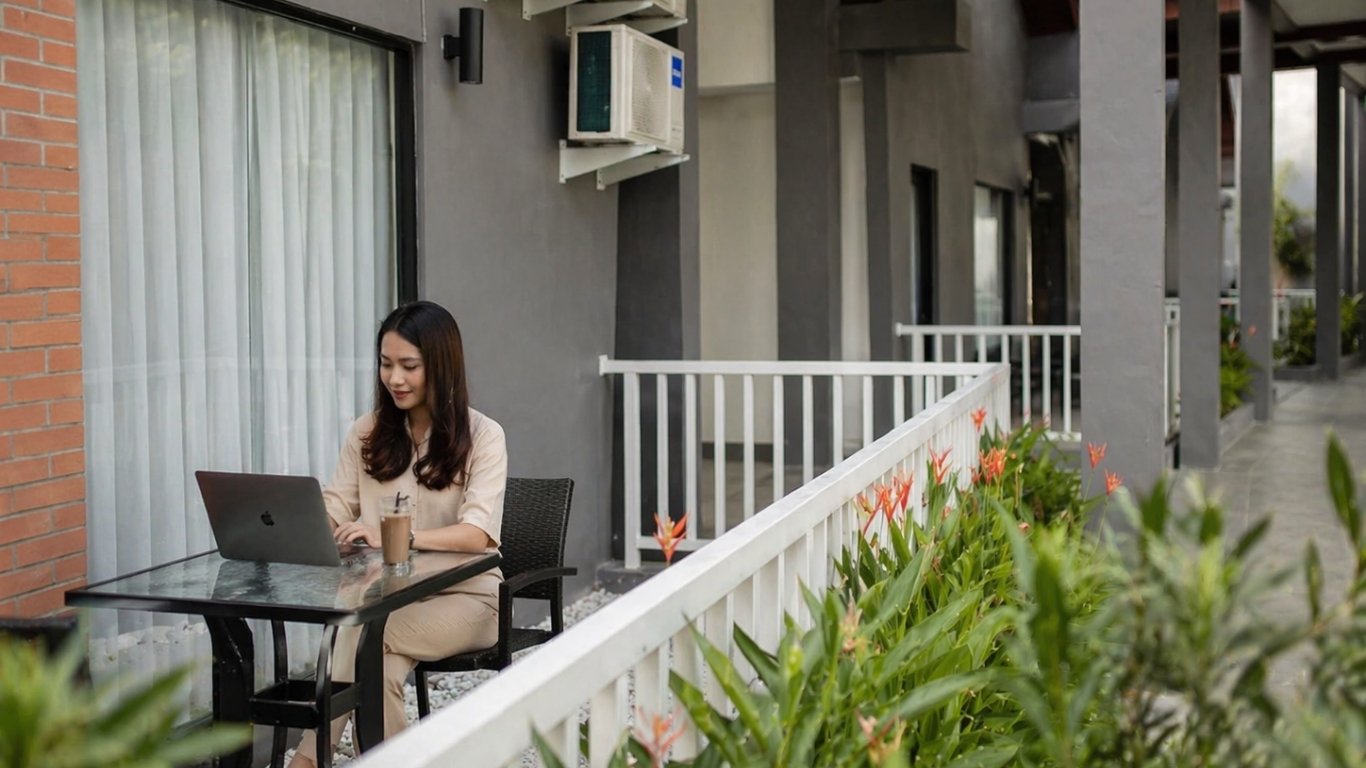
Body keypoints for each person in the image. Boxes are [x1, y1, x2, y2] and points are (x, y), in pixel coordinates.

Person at [290, 301, 506, 768]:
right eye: (386, 364)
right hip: (390, 601)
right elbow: (335, 506)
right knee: (378, 664)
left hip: (469, 600)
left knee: (360, 631)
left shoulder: (485, 436)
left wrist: (394, 536)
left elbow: (476, 535)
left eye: (409, 366)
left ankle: (307, 759)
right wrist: (307, 525)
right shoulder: (366, 431)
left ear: (441, 366)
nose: (395, 378)